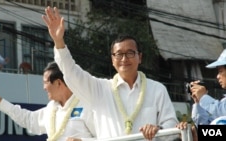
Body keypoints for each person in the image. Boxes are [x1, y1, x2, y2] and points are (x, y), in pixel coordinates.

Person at [42, 6, 179, 140]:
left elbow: (172, 127)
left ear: (140, 57)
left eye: (130, 53)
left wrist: (158, 130)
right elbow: (71, 72)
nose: (124, 59)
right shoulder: (100, 89)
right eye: (119, 54)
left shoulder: (157, 90)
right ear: (112, 60)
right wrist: (58, 41)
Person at [0, 61, 96, 141]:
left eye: (46, 82)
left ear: (58, 83)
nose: (44, 88)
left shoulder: (87, 105)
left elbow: (107, 137)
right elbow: (28, 119)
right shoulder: (51, 109)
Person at [190, 49, 226, 126]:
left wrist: (203, 97)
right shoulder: (223, 102)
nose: (218, 76)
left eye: (220, 71)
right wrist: (198, 103)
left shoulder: (222, 107)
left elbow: (222, 111)